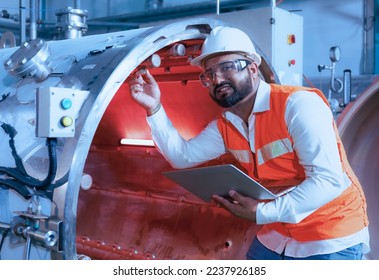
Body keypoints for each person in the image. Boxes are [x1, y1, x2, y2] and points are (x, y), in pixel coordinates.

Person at [128, 26, 370, 260]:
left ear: (253, 68)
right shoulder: (227, 124)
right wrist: (154, 108)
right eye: (209, 74)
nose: (217, 79)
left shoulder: (297, 106)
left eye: (227, 67)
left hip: (329, 235)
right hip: (278, 235)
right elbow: (182, 157)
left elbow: (328, 181)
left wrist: (262, 212)